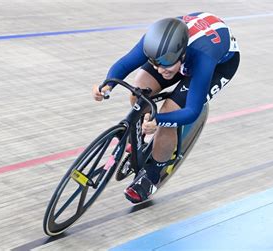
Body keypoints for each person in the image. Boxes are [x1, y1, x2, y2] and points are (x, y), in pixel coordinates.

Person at [92, 12, 240, 203]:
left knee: (168, 114)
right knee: (139, 89)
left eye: (165, 66)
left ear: (182, 54)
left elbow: (191, 112)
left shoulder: (203, 57)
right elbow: (125, 63)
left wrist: (159, 121)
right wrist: (106, 85)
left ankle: (153, 173)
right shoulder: (155, 40)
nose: (160, 70)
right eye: (155, 63)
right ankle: (140, 140)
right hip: (178, 53)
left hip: (218, 66)